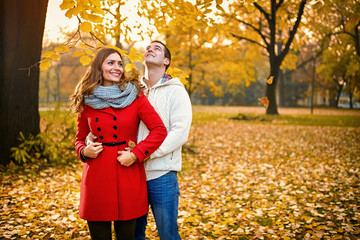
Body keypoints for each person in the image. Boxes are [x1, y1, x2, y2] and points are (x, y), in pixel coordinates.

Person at [87, 41, 192, 239]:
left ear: (166, 61)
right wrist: (89, 138)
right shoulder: (130, 90)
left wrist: (142, 154)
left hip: (161, 172)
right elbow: (111, 121)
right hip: (130, 172)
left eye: (158, 48)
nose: (151, 49)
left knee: (168, 233)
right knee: (134, 234)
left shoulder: (175, 90)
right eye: (149, 47)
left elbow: (180, 133)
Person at [69, 47, 167, 240]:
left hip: (127, 172)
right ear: (99, 67)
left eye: (120, 63)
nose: (117, 67)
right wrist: (84, 151)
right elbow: (80, 139)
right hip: (97, 176)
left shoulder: (135, 96)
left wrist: (136, 154)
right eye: (111, 63)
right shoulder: (86, 99)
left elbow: (159, 130)